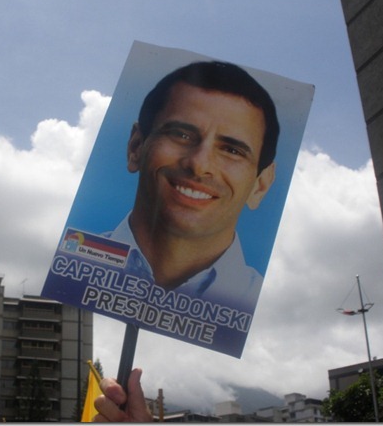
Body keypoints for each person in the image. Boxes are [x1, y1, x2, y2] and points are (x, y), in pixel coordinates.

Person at [105, 61, 279, 309]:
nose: (198, 164)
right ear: (136, 147)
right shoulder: (76, 262)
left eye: (232, 150)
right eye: (181, 134)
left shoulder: (263, 310)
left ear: (260, 185)